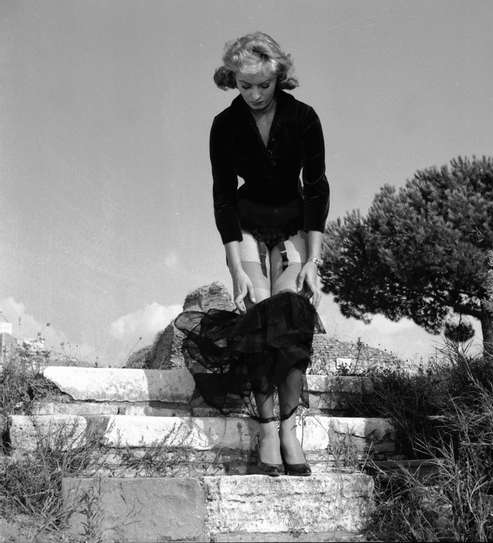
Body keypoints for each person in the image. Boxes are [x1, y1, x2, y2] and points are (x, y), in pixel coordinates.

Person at [175, 32, 330, 477]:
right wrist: (233, 267)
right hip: (245, 222)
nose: (256, 95)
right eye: (245, 86)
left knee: (293, 314)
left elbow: (317, 187)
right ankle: (266, 430)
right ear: (233, 81)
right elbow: (223, 195)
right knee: (260, 316)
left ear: (279, 76)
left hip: (294, 224)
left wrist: (314, 260)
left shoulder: (304, 118)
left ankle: (289, 429)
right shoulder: (224, 126)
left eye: (264, 84)